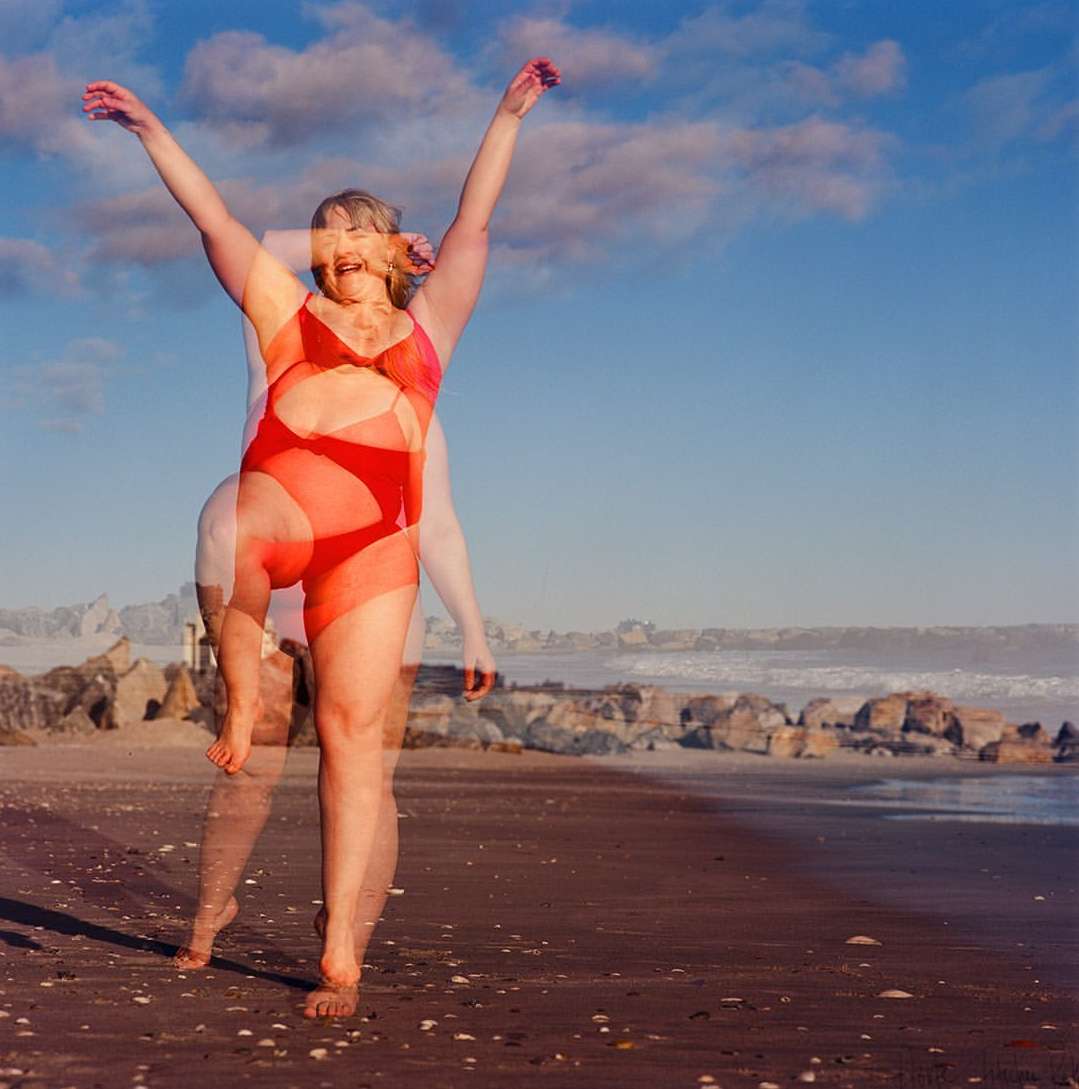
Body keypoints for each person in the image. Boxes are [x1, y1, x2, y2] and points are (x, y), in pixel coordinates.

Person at [82, 55, 561, 1018]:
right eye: (327, 233)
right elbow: (220, 223)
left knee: (351, 745)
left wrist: (509, 115)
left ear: (392, 250)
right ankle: (238, 702)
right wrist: (151, 131)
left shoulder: (430, 329)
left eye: (357, 232)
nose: (339, 245)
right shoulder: (286, 309)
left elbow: (473, 226)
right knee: (234, 519)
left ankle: (339, 945)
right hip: (281, 521)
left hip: (374, 553)